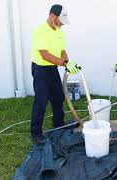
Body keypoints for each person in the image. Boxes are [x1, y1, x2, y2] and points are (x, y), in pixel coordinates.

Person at [30, 4, 80, 144]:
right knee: (41, 100)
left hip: (52, 69)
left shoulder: (59, 31)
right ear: (53, 16)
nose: (62, 25)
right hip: (40, 69)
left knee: (58, 96)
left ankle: (59, 123)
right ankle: (36, 132)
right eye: (61, 21)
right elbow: (45, 55)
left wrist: (67, 62)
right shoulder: (40, 31)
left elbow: (62, 51)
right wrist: (63, 63)